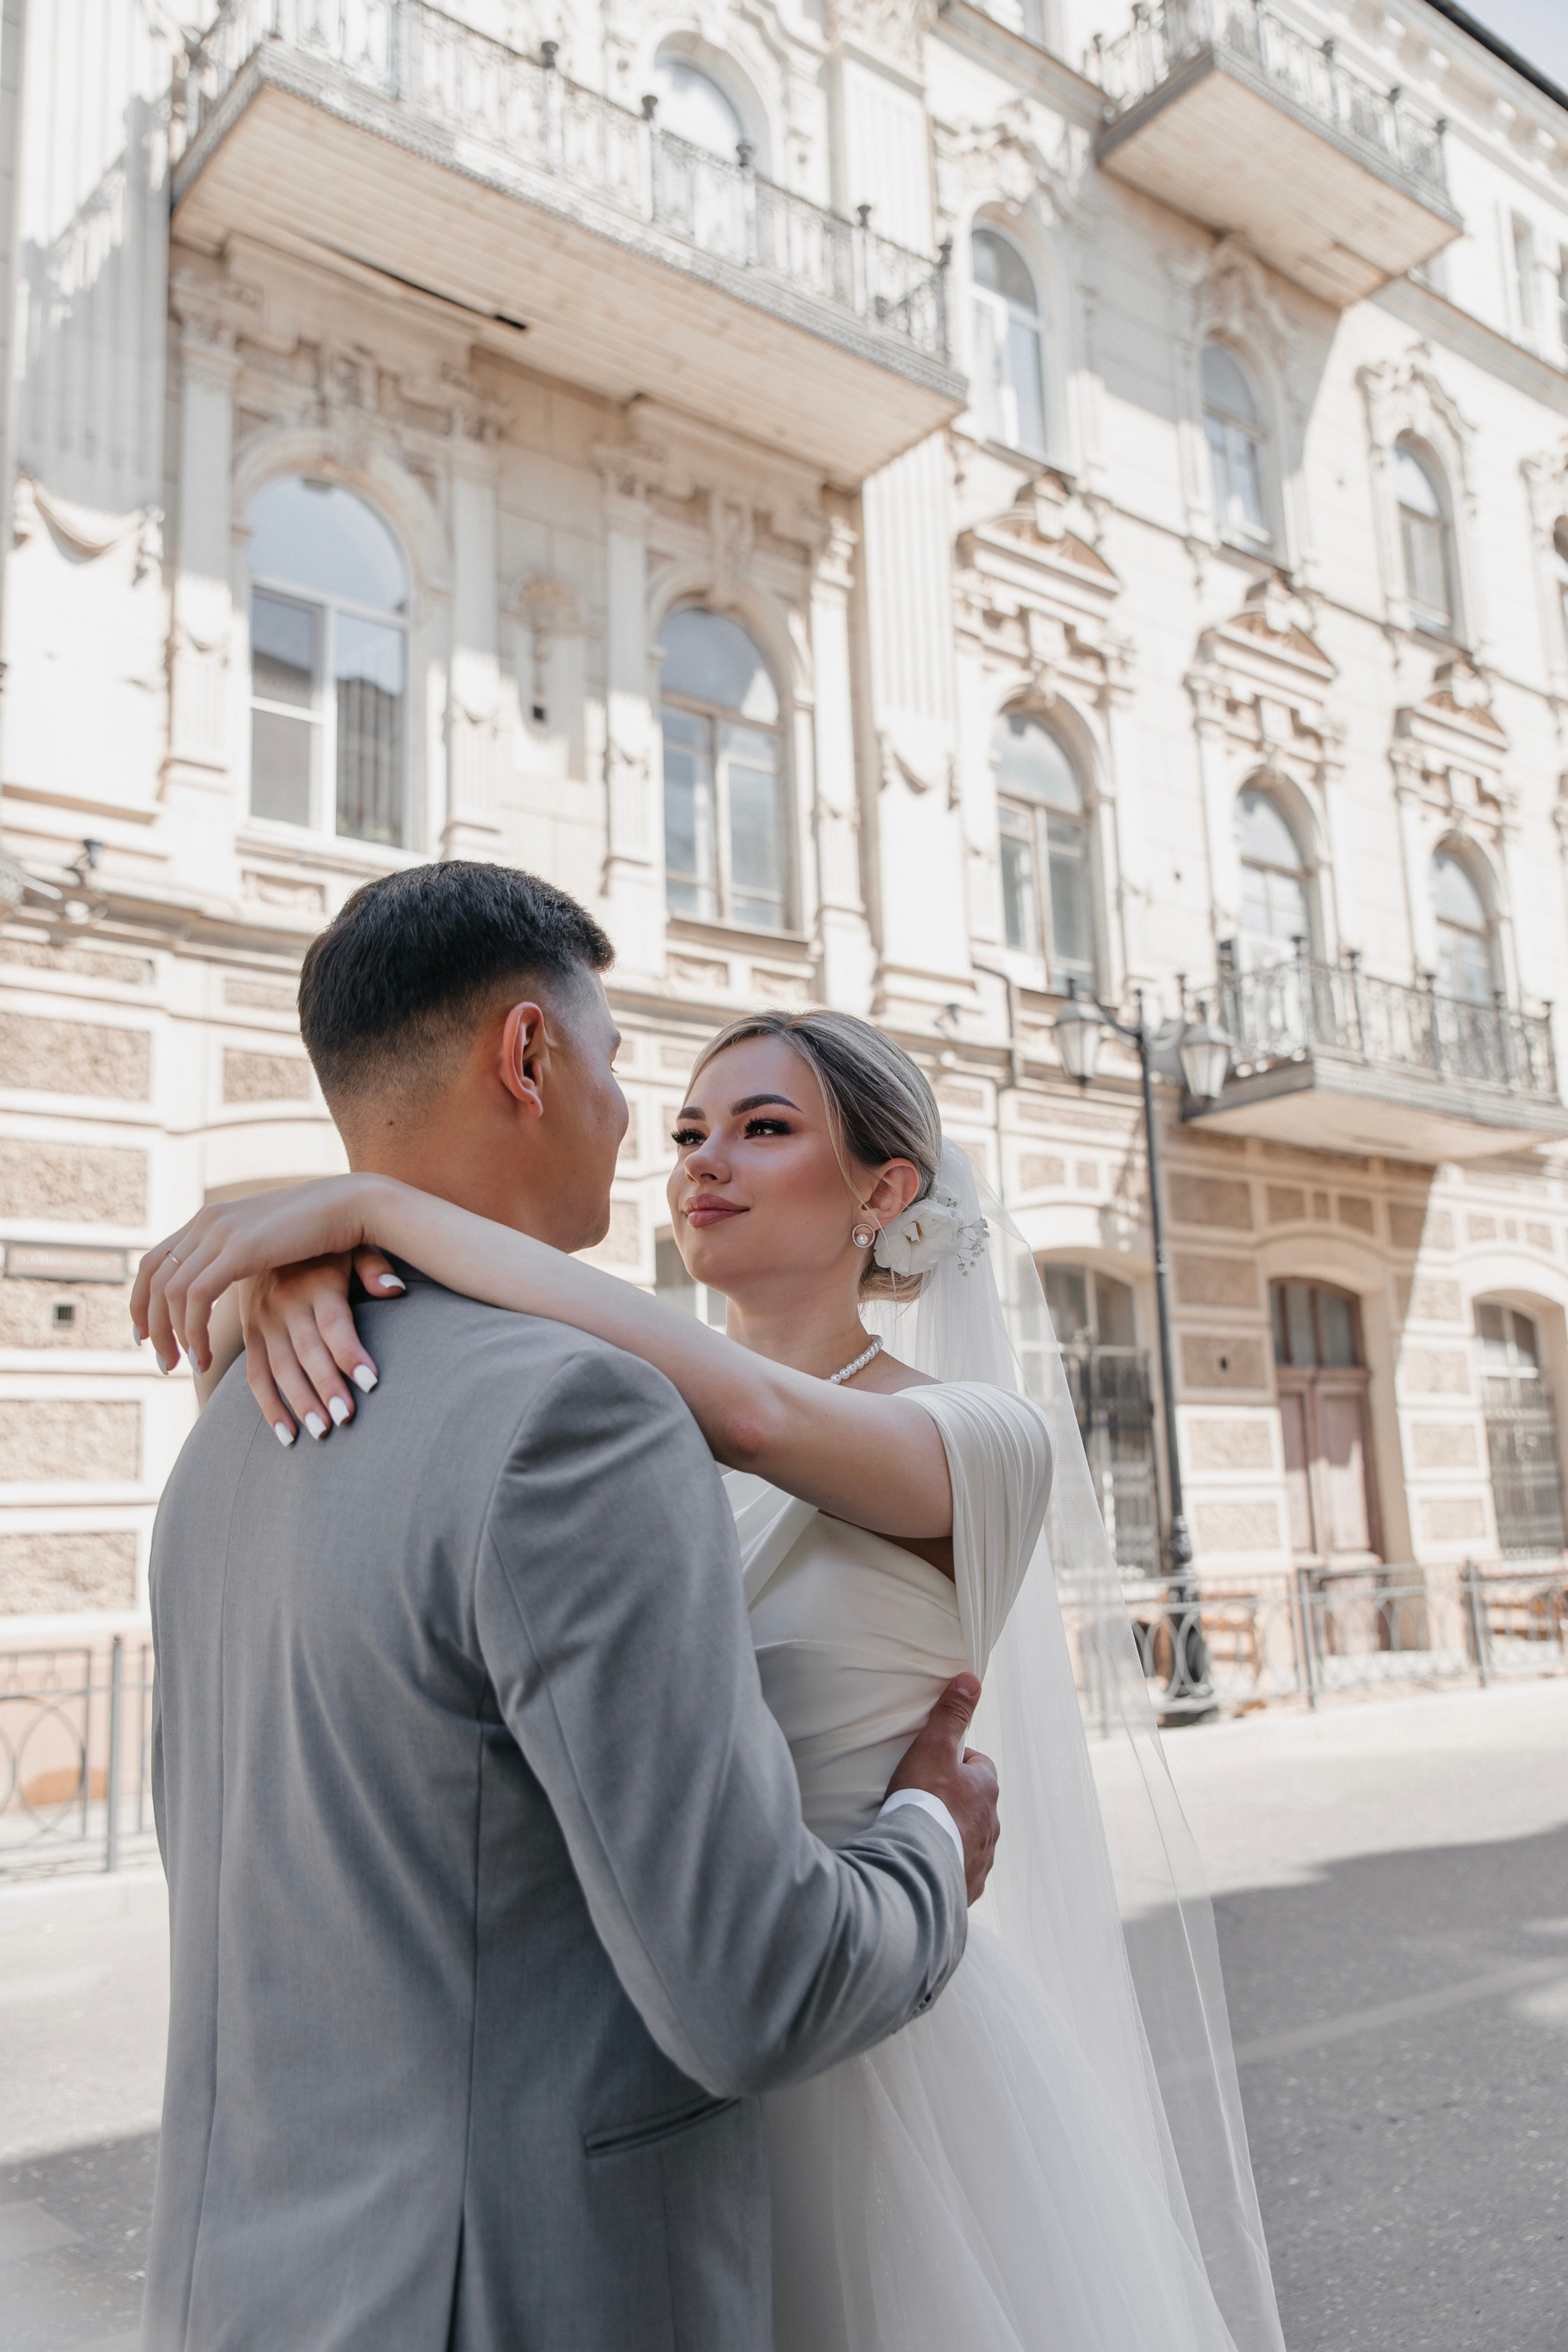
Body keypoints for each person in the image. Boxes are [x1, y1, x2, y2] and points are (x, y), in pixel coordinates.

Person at [138, 870, 1288, 2352]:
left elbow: (747, 1413)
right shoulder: (601, 1405)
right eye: (680, 1121)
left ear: (886, 1193)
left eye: (763, 1128)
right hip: (665, 2070)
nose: (691, 1157)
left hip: (863, 2058)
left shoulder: (966, 1432)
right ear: (534, 1057)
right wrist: (285, 1284)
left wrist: (364, 1209)